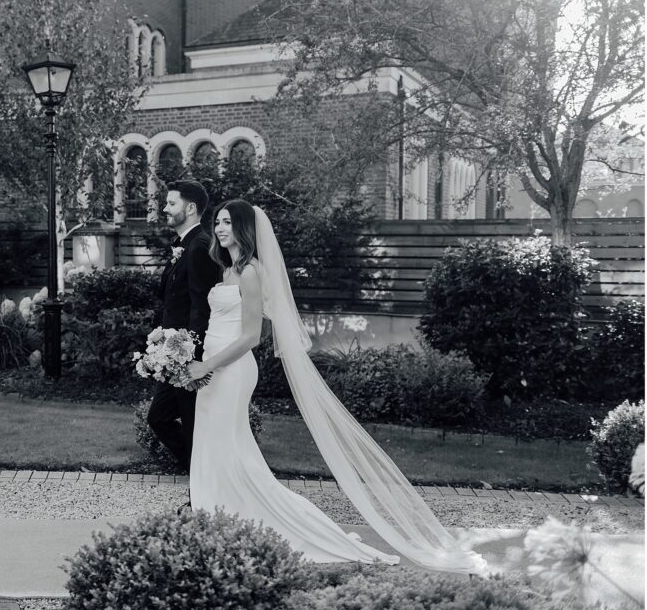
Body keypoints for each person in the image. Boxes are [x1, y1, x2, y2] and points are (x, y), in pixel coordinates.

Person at [186, 199, 485, 574]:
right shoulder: (228, 271)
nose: (220, 228)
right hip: (211, 370)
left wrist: (207, 364)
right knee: (214, 446)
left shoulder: (250, 272)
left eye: (228, 222)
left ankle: (263, 519)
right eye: (218, 222)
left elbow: (249, 337)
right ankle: (219, 515)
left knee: (231, 448)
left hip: (229, 371)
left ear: (244, 228)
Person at [147, 180, 223, 474]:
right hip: (173, 352)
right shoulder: (184, 245)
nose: (165, 208)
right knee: (159, 417)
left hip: (187, 355)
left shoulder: (199, 246)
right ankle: (197, 467)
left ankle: (202, 479)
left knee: (192, 421)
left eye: (171, 203)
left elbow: (201, 306)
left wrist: (194, 357)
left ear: (190, 209)